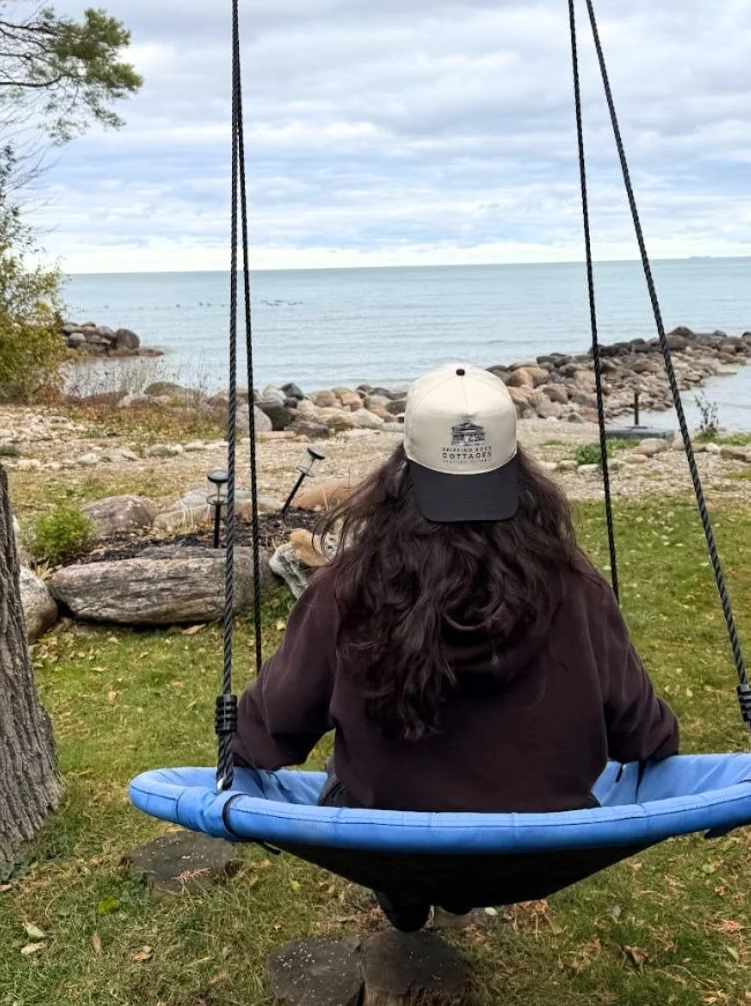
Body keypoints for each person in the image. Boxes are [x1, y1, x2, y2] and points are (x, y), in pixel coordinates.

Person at [233, 362, 678, 930]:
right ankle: (421, 881)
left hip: (389, 838)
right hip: (539, 844)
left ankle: (406, 890)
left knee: (347, 781)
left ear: (402, 471)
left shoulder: (347, 590)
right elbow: (643, 734)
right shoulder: (574, 587)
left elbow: (276, 725)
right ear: (518, 469)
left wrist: (239, 750)